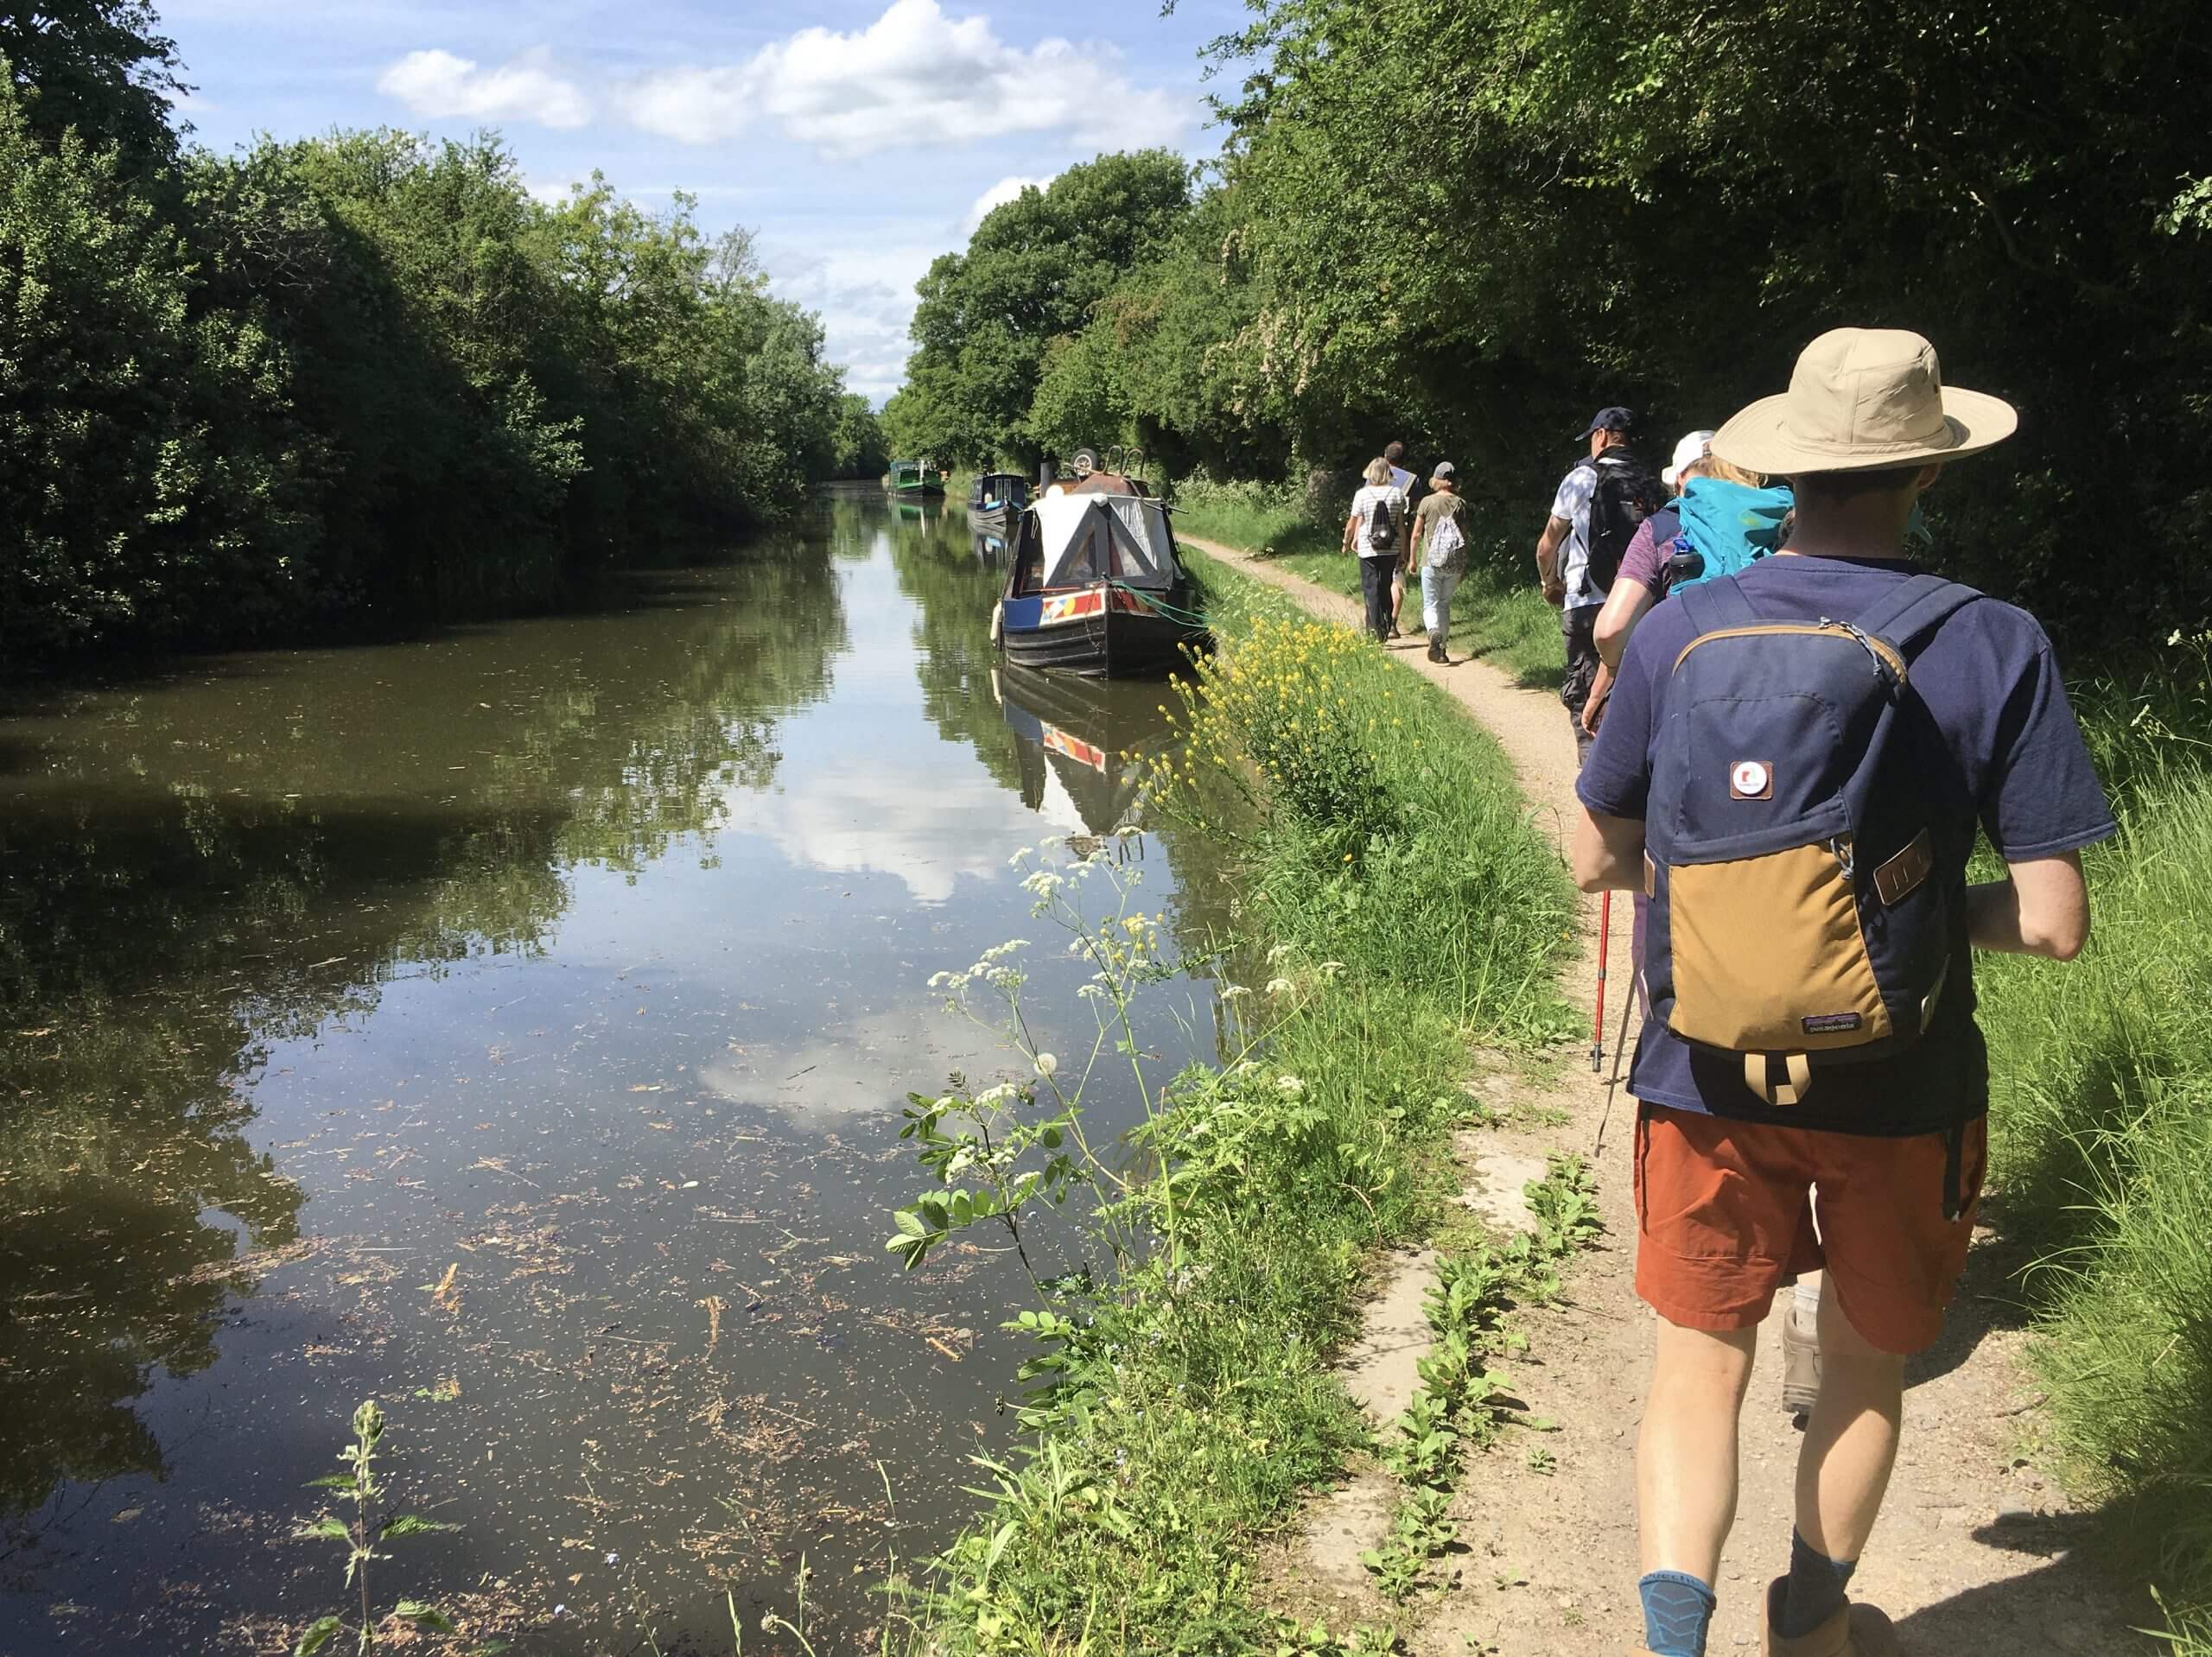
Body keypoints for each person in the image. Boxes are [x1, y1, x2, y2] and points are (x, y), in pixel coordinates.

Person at [1573, 328, 2115, 1657]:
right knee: (1864, 1367)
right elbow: (2052, 925)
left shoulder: (1687, 621)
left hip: (1701, 1074)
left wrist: (1732, 915)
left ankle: (1671, 1643)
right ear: (1931, 470)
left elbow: (1600, 854)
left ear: (1786, 469)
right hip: (1907, 1086)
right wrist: (1909, 929)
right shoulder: (1994, 639)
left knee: (1701, 1369)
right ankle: (1811, 1631)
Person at [1580, 430, 1824, 1425]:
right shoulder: (1828, 553)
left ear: (1694, 481)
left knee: (1710, 1023)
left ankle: (1726, 1294)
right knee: (1827, 1047)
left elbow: (1612, 626)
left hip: (1698, 826)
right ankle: (1815, 1294)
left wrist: (1619, 681)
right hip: (1822, 862)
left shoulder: (1666, 534)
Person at [1535, 407, 1657, 758]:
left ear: (1601, 435)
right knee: (1637, 695)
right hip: (1642, 602)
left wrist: (1550, 582)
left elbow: (1548, 544)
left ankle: (1593, 777)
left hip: (1588, 600)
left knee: (1584, 691)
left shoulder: (1581, 478)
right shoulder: (1651, 481)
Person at [1408, 461, 1471, 663]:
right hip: (1453, 563)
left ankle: (1433, 631)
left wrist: (1412, 559)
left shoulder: (1427, 502)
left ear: (1436, 479)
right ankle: (1442, 651)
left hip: (1431, 562)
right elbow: (1464, 537)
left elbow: (1416, 534)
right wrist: (1463, 565)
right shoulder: (1460, 503)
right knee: (1444, 605)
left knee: (1430, 604)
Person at [1343, 457, 1408, 642]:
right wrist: (1404, 552)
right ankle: (1386, 626)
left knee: (1371, 588)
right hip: (1391, 548)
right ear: (1388, 474)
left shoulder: (1362, 494)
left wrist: (1346, 542)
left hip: (1368, 548)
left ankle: (1375, 630)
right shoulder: (1397, 493)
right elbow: (1401, 526)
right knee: (1386, 585)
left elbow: (1352, 523)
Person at [1384, 441, 1419, 638]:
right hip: (1400, 534)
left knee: (1379, 578)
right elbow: (1416, 510)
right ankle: (1393, 624)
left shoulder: (1373, 477)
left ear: (1385, 457)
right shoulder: (1412, 480)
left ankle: (1377, 619)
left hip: (1374, 538)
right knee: (1397, 577)